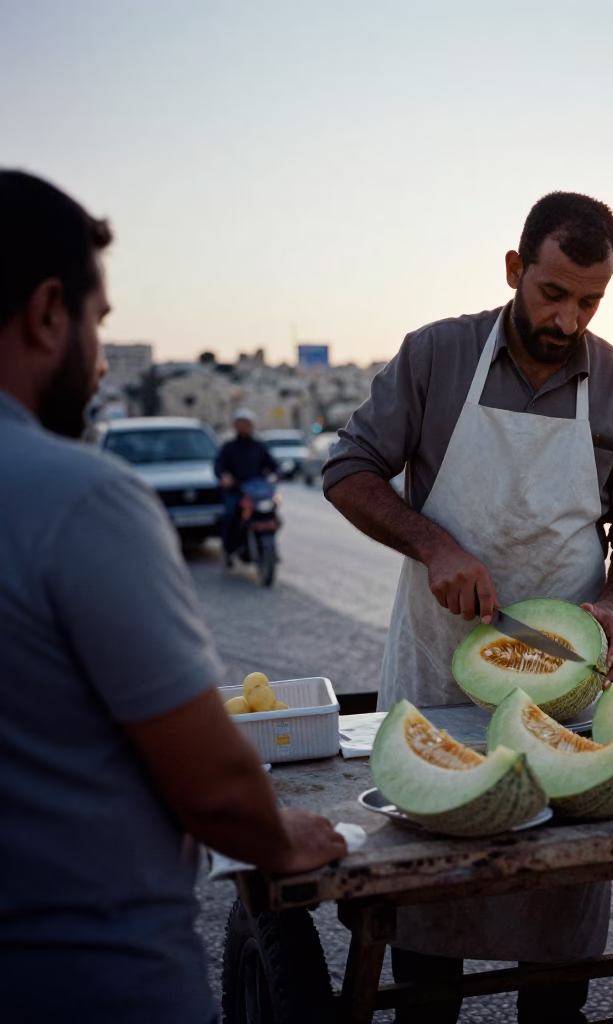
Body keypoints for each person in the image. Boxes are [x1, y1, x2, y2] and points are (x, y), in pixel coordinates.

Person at [0, 170, 348, 1024]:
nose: (94, 350)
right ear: (50, 312)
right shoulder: (81, 497)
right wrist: (282, 836)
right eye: (97, 322)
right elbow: (216, 788)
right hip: (91, 983)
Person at [324, 192, 613, 1023]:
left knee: (556, 949)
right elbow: (349, 472)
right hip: (440, 680)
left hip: (568, 696)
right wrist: (434, 545)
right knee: (429, 950)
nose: (567, 318)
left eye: (590, 301)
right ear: (515, 270)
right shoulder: (437, 355)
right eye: (552, 293)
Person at [215, 408, 277, 563]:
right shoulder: (229, 447)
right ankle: (229, 549)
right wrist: (224, 477)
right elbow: (219, 466)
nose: (244, 427)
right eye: (241, 424)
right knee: (230, 517)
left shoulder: (259, 446)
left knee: (272, 515)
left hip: (257, 492)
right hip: (236, 491)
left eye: (247, 424)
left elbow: (272, 465)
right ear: (235, 426)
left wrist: (278, 474)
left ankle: (267, 548)